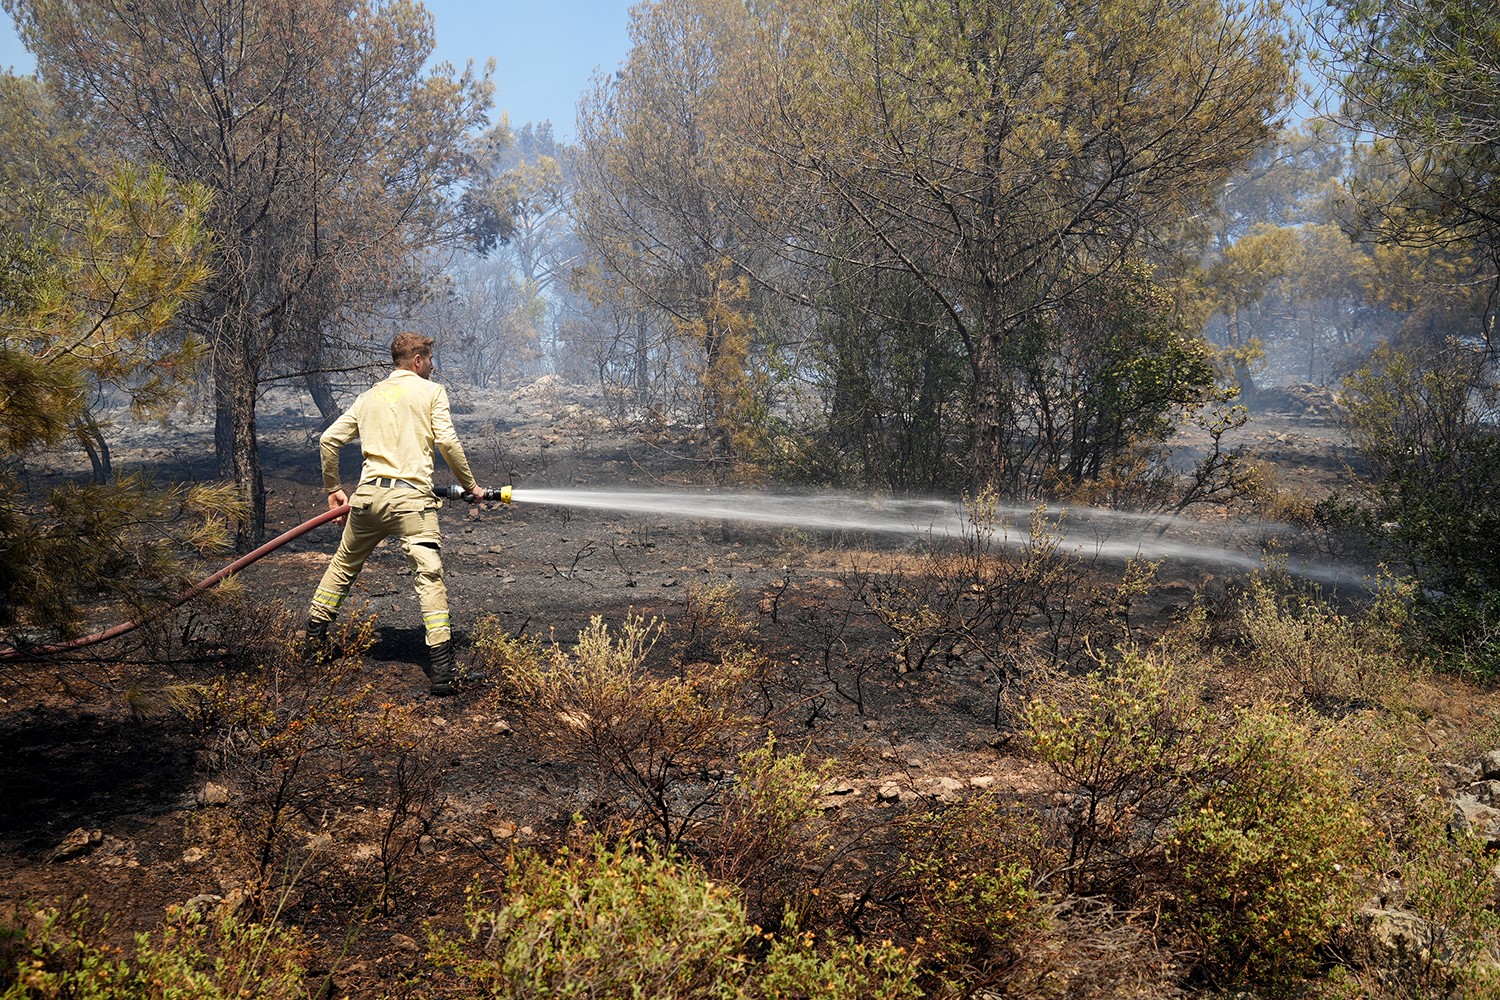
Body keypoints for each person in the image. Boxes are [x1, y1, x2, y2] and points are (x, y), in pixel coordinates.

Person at [303, 332, 485, 695]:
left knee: (342, 566)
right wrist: (471, 486)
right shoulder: (431, 392)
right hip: (412, 502)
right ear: (417, 360)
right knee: (429, 577)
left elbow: (328, 440)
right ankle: (444, 670)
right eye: (431, 359)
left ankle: (313, 646)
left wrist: (334, 489)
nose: (433, 366)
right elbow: (447, 441)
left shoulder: (369, 397)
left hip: (367, 499)